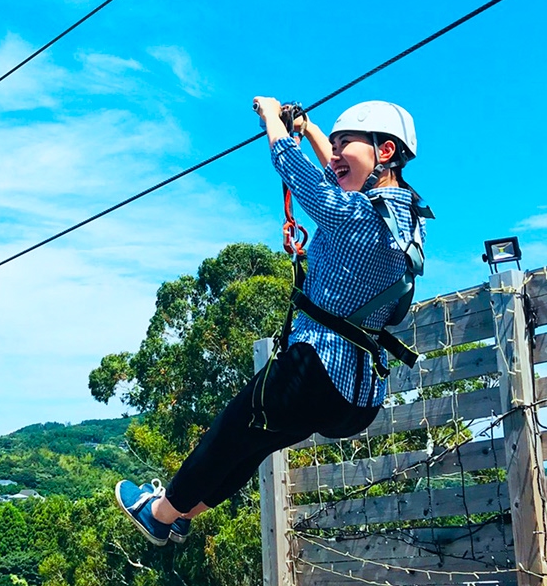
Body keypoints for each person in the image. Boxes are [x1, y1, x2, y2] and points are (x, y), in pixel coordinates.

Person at [115, 97, 432, 546]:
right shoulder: (407, 218)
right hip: (359, 395)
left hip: (314, 369)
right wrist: (311, 128)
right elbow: (339, 175)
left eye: (348, 144)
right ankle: (186, 514)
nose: (336, 153)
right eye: (335, 144)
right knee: (253, 445)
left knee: (229, 434)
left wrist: (273, 123)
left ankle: (159, 514)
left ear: (384, 152)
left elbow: (304, 178)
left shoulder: (352, 214)